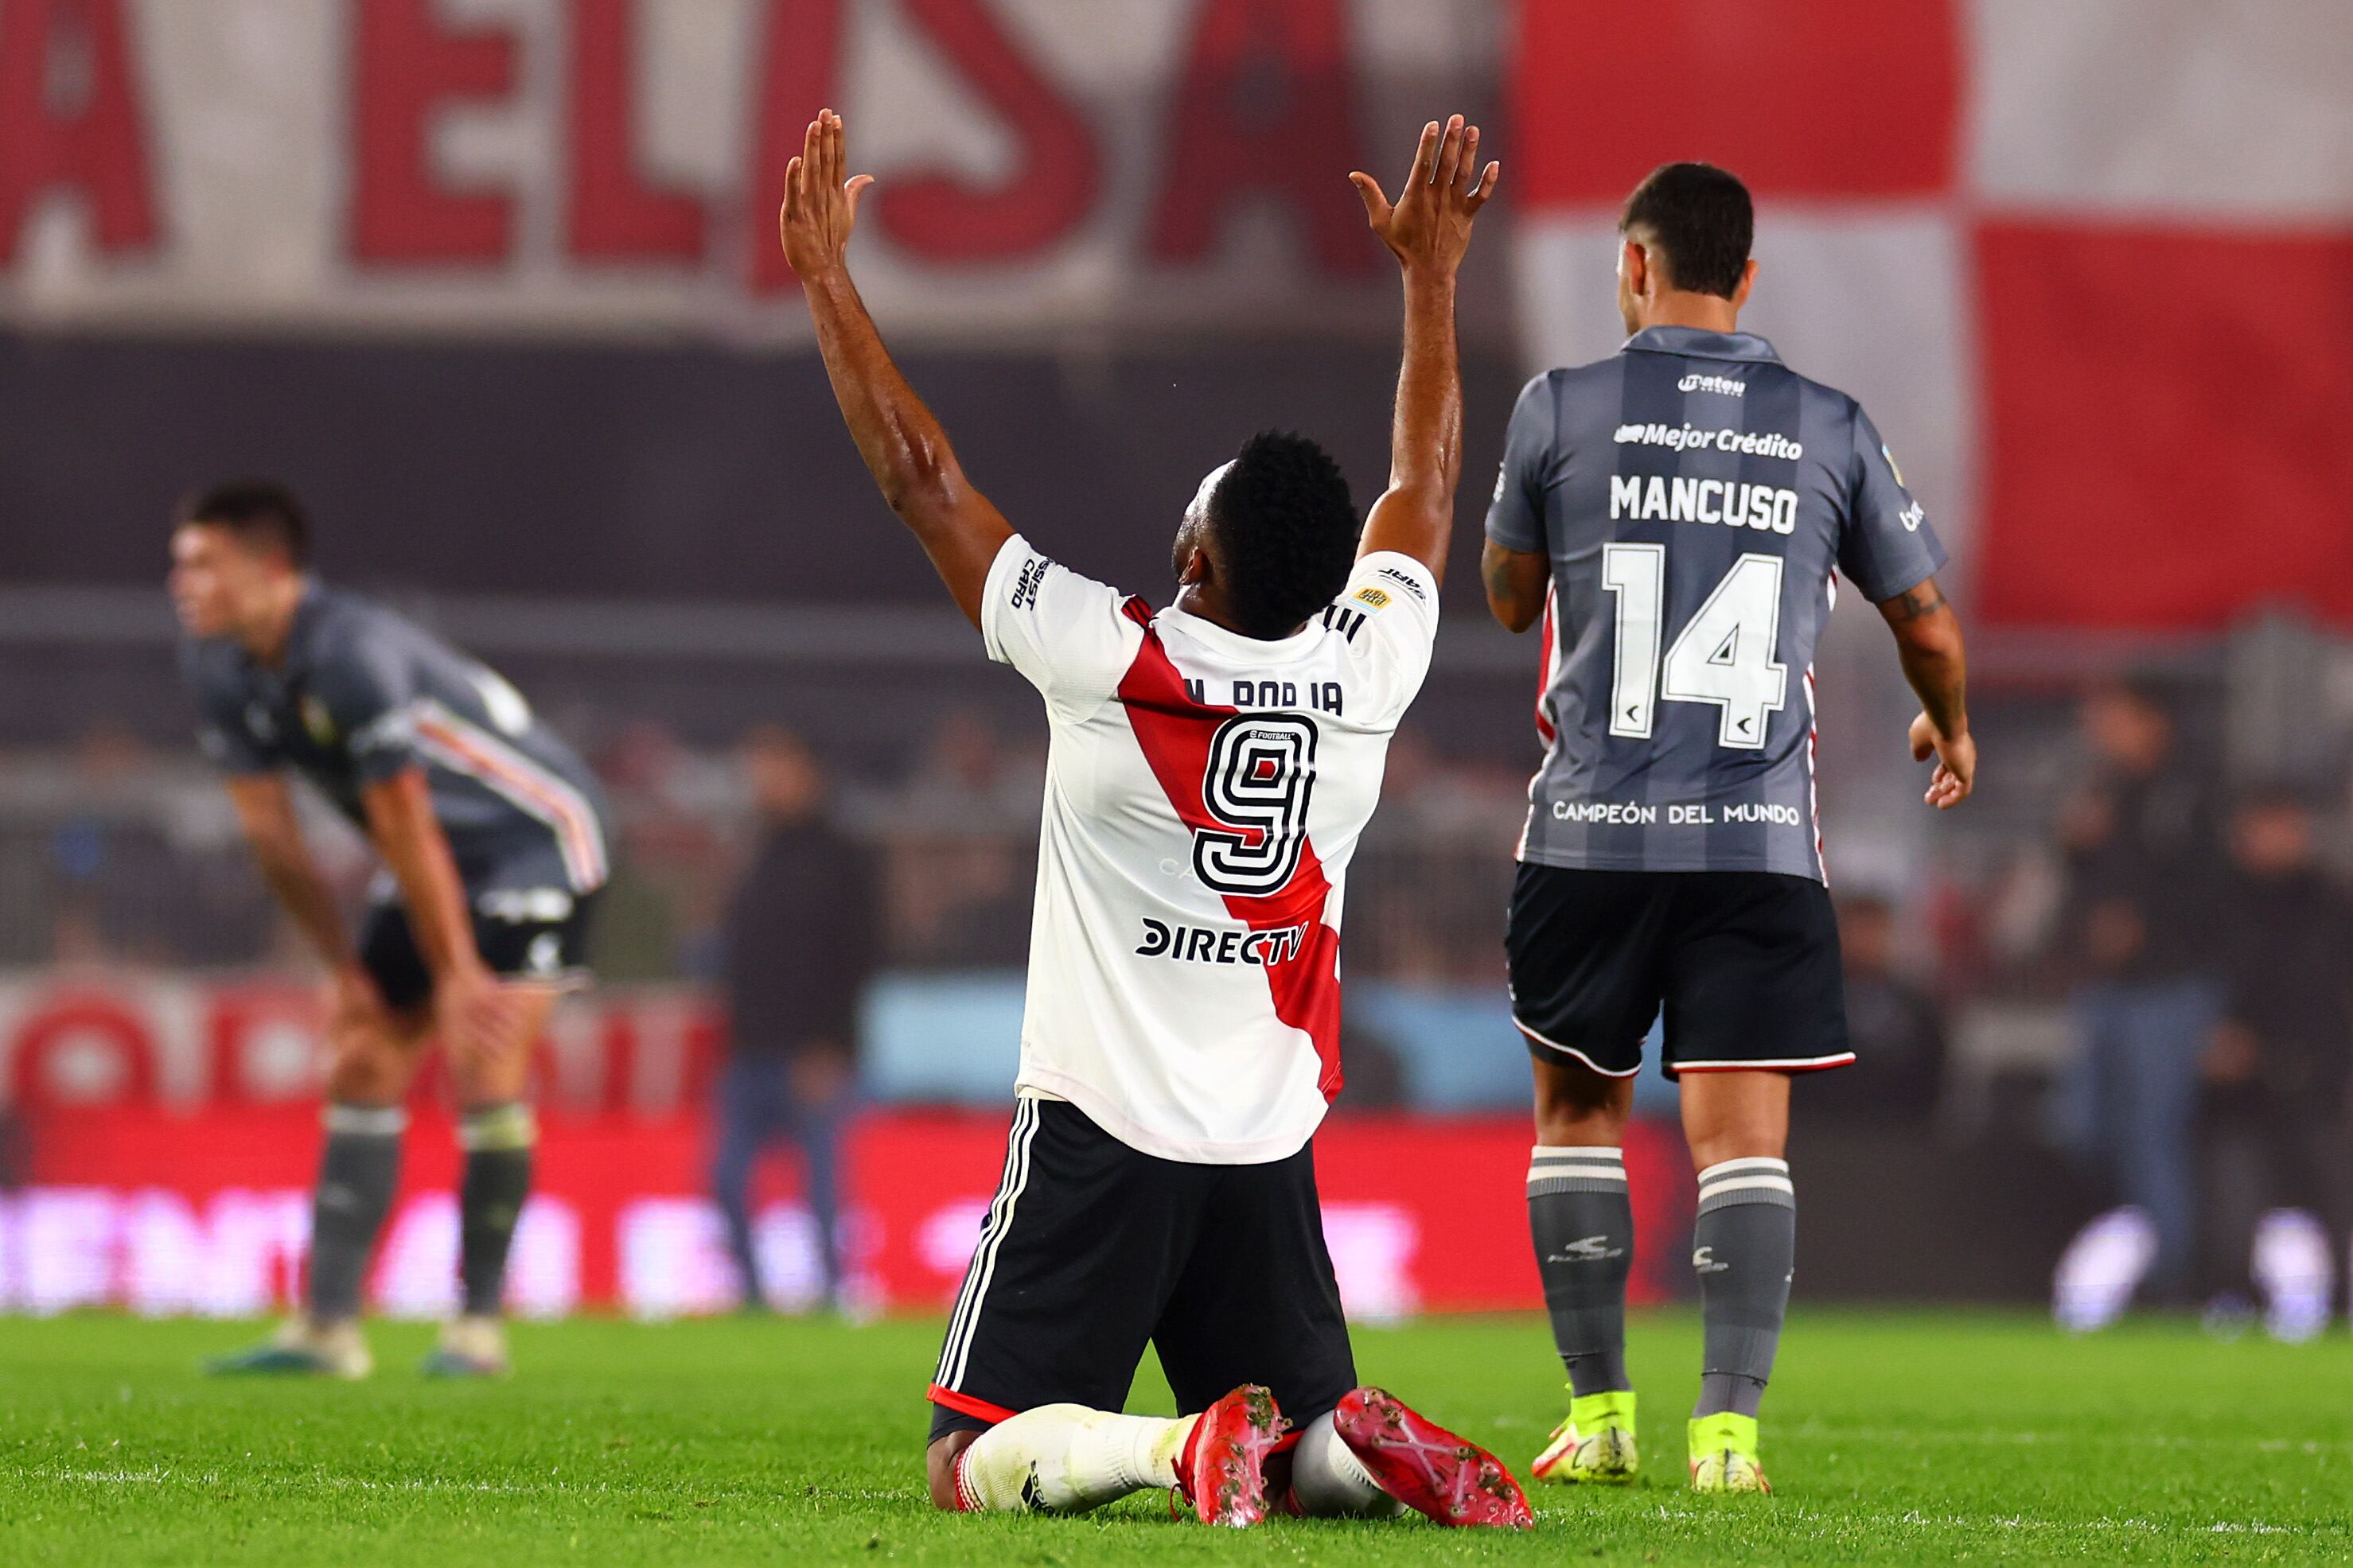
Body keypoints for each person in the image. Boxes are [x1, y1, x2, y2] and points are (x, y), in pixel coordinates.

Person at [781, 109, 1529, 1528]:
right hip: (1264, 1139)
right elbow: (1422, 491)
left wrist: (824, 273)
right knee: (1295, 1451)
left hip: (1100, 1134)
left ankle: (1169, 1452)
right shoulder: (1364, 665)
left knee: (964, 1464)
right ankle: (1354, 1450)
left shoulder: (1104, 654)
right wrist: (1430, 283)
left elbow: (920, 479)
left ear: (1194, 555)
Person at [1479, 162, 1971, 1492]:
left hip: (1586, 834)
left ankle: (1598, 1421)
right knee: (1742, 1144)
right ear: (1744, 277)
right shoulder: (1826, 424)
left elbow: (1509, 600)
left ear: (1633, 266)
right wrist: (1950, 723)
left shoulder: (1557, 408)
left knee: (1577, 1119)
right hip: (1755, 843)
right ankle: (1728, 1439)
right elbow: (1923, 618)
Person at [172, 481, 609, 1379]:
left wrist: (455, 972)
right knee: (364, 1051)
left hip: (534, 842)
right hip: (433, 858)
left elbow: (404, 820)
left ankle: (476, 1330)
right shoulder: (220, 663)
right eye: (181, 564)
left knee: (483, 1055)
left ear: (270, 568)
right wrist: (342, 966)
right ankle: (329, 1331)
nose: (184, 583)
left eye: (203, 563)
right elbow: (272, 836)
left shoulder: (350, 651)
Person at [2047, 677, 2222, 1301]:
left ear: (2152, 720)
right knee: (2081, 1124)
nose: (2101, 730)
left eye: (2113, 715)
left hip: (2168, 987)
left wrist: (2142, 925)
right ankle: (2133, 1244)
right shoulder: (2111, 789)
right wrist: (2076, 847)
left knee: (2153, 1134)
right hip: (2107, 987)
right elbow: (2089, 882)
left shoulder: (2194, 790)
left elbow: (2215, 893)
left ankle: (2167, 1278)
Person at [712, 722, 876, 1312]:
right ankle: (753, 1297)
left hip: (812, 1052)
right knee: (727, 1178)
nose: (761, 781)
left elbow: (856, 957)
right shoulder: (758, 848)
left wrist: (832, 1045)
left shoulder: (842, 856)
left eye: (772, 766)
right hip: (749, 1050)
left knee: (822, 1187)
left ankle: (835, 1293)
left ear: (807, 772)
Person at [2195, 787, 2353, 1330]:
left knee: (2331, 1201)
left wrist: (2281, 1047)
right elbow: (2204, 990)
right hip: (2236, 1090)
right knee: (2234, 1207)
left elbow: (2320, 994)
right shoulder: (2222, 903)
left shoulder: (2330, 903)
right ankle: (2232, 1307)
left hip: (2312, 1078)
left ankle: (2337, 1312)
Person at [1811, 893, 1946, 1123]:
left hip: (1898, 1135)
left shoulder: (1917, 1008)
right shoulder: (1806, 1002)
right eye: (1857, 931)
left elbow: (1932, 1072)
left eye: (1875, 932)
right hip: (1822, 1134)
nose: (1866, 942)